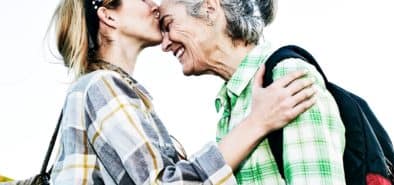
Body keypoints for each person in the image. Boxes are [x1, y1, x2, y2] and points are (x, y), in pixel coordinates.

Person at [48, 0, 316, 184]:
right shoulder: (101, 86)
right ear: (108, 15)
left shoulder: (115, 90)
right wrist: (257, 123)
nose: (154, 7)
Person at [159, 0, 346, 184]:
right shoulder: (230, 104)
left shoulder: (284, 76)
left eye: (168, 24)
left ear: (209, 8)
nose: (164, 44)